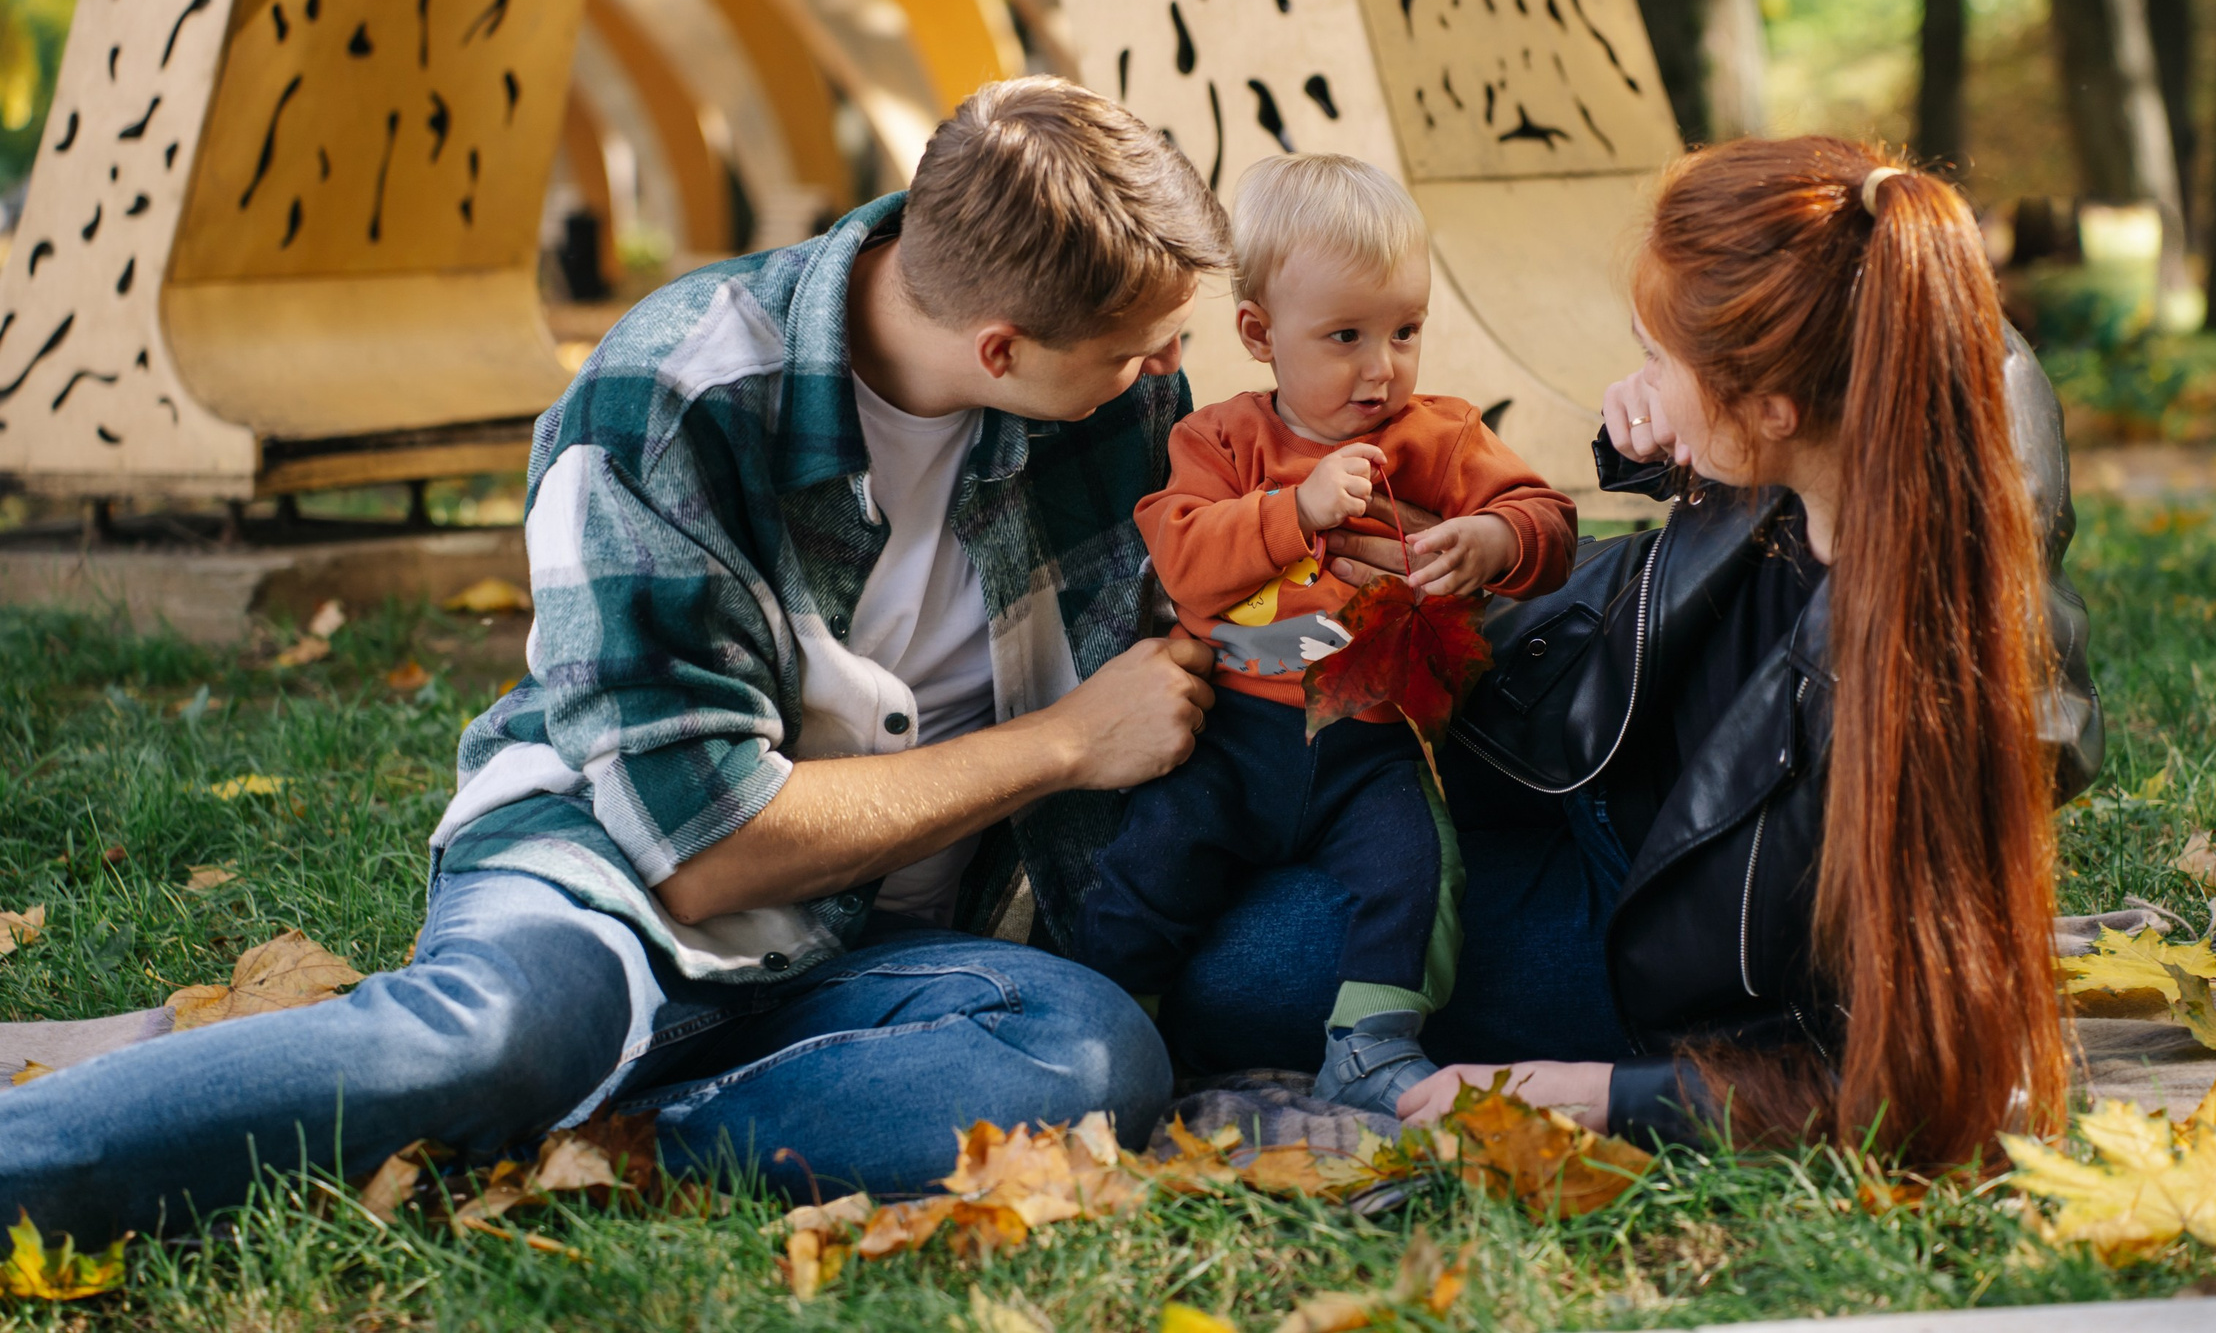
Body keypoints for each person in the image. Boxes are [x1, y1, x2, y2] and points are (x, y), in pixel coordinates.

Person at [0, 78, 1233, 1243]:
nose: (1165, 371)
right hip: (613, 885)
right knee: (487, 1036)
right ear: (1003, 347)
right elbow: (707, 850)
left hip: (884, 956)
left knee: (1092, 1052)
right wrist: (1068, 740)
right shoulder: (669, 397)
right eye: (1137, 349)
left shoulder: (1106, 399)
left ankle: (590, 1135)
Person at [1155, 137, 2103, 1166]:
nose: (1634, 382)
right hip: (1568, 790)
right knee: (1204, 883)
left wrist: (1605, 1092)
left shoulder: (1921, 685)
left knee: (1221, 974)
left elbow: (1935, 1088)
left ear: (1773, 406)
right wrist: (1664, 448)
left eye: (1658, 357)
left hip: (1648, 951)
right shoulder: (1857, 411)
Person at [1078, 155, 1576, 1112]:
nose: (1382, 364)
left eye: (1406, 329)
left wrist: (1493, 536)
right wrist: (1293, 510)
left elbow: (1549, 522)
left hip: (1372, 738)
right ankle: (1116, 1024)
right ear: (1260, 334)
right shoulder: (1220, 442)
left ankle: (1373, 1041)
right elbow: (1182, 555)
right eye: (1345, 335)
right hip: (1229, 729)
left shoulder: (1438, 438)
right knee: (1149, 865)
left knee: (1417, 867)